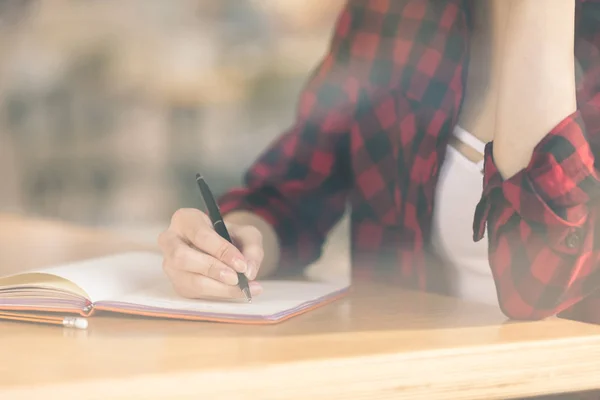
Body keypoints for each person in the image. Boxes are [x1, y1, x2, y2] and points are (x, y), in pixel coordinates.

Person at [158, 0, 600, 324]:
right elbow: (289, 194)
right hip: (397, 376)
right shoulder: (392, 14)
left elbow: (537, 288)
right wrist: (232, 245)